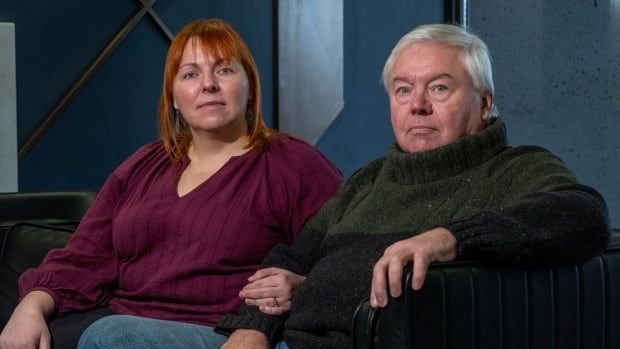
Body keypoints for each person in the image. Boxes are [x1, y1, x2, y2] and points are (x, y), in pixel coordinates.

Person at [76, 23, 610, 349]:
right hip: (283, 339)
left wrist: (446, 237)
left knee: (112, 337)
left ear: (485, 102)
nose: (417, 105)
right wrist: (253, 328)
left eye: (439, 88)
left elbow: (582, 214)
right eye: (403, 90)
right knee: (104, 334)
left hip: (334, 344)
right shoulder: (370, 180)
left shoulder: (513, 168)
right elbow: (292, 255)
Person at [0, 18, 342, 349]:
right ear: (175, 98)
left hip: (223, 332)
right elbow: (84, 257)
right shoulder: (142, 166)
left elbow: (350, 255)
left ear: (249, 86)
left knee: (112, 337)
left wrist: (305, 286)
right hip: (120, 319)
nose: (208, 84)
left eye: (224, 69)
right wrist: (30, 306)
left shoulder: (293, 165)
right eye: (191, 74)